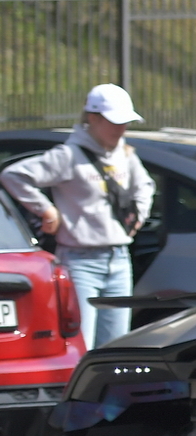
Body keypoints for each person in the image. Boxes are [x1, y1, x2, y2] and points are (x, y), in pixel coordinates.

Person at [3, 84, 156, 348]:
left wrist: (139, 214)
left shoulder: (124, 154)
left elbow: (145, 186)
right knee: (80, 344)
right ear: (93, 118)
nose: (121, 129)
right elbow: (14, 175)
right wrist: (46, 209)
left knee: (116, 346)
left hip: (119, 259)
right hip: (80, 261)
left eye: (125, 122)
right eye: (115, 122)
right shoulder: (68, 156)